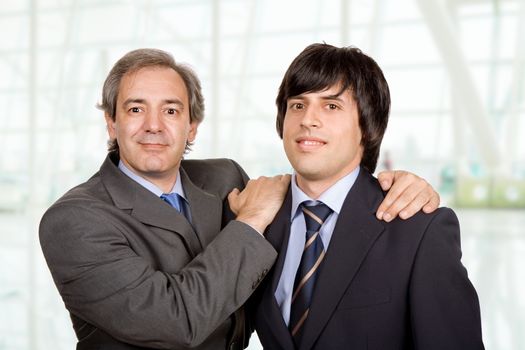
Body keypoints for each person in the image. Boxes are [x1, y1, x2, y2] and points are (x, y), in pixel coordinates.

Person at [39, 48, 440, 350]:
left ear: (192, 126)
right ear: (111, 121)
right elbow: (176, 321)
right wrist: (249, 222)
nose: (154, 126)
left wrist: (398, 184)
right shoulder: (74, 221)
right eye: (135, 109)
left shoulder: (224, 179)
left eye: (172, 111)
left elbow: (325, 191)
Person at [251, 43, 484, 349]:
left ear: (368, 125)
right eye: (297, 105)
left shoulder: (418, 229)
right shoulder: (255, 220)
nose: (308, 119)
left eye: (331, 106)